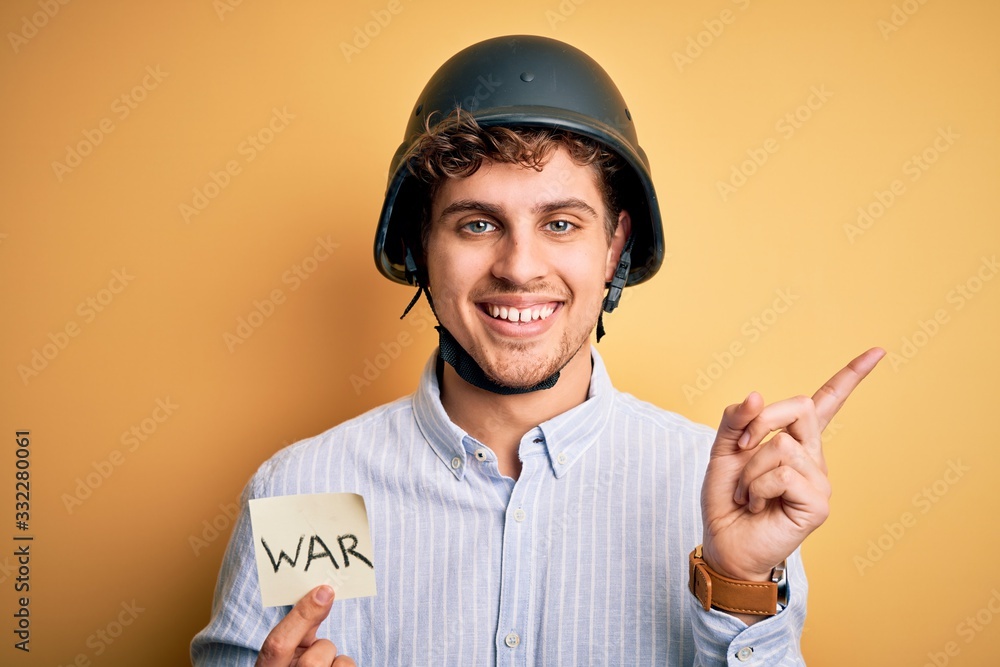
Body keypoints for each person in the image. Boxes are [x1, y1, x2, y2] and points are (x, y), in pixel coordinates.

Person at [191, 35, 883, 666]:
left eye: (559, 222)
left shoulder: (712, 497)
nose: (519, 268)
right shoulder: (310, 491)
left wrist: (738, 585)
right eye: (477, 223)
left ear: (613, 246)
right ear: (416, 246)